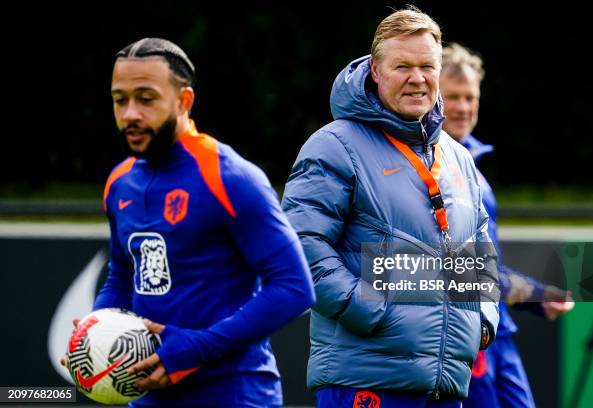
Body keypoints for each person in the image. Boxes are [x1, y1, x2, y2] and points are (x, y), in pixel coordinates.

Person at [64, 38, 316, 408]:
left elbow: (295, 288)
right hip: (147, 395)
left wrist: (197, 347)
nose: (130, 113)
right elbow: (122, 275)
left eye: (146, 99)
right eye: (120, 100)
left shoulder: (230, 178)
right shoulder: (119, 183)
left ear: (184, 102)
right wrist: (94, 335)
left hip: (234, 393)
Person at [282, 7, 499, 407]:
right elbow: (300, 247)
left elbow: (477, 247)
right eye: (402, 66)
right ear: (376, 71)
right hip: (365, 381)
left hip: (444, 384)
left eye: (427, 66)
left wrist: (483, 318)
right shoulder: (335, 146)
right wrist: (374, 311)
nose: (417, 78)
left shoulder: (456, 157)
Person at [440, 42, 574, 408]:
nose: (463, 108)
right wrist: (534, 295)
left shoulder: (475, 165)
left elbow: (485, 267)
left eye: (470, 97)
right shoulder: (433, 167)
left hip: (499, 329)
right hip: (466, 333)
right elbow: (460, 268)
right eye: (452, 97)